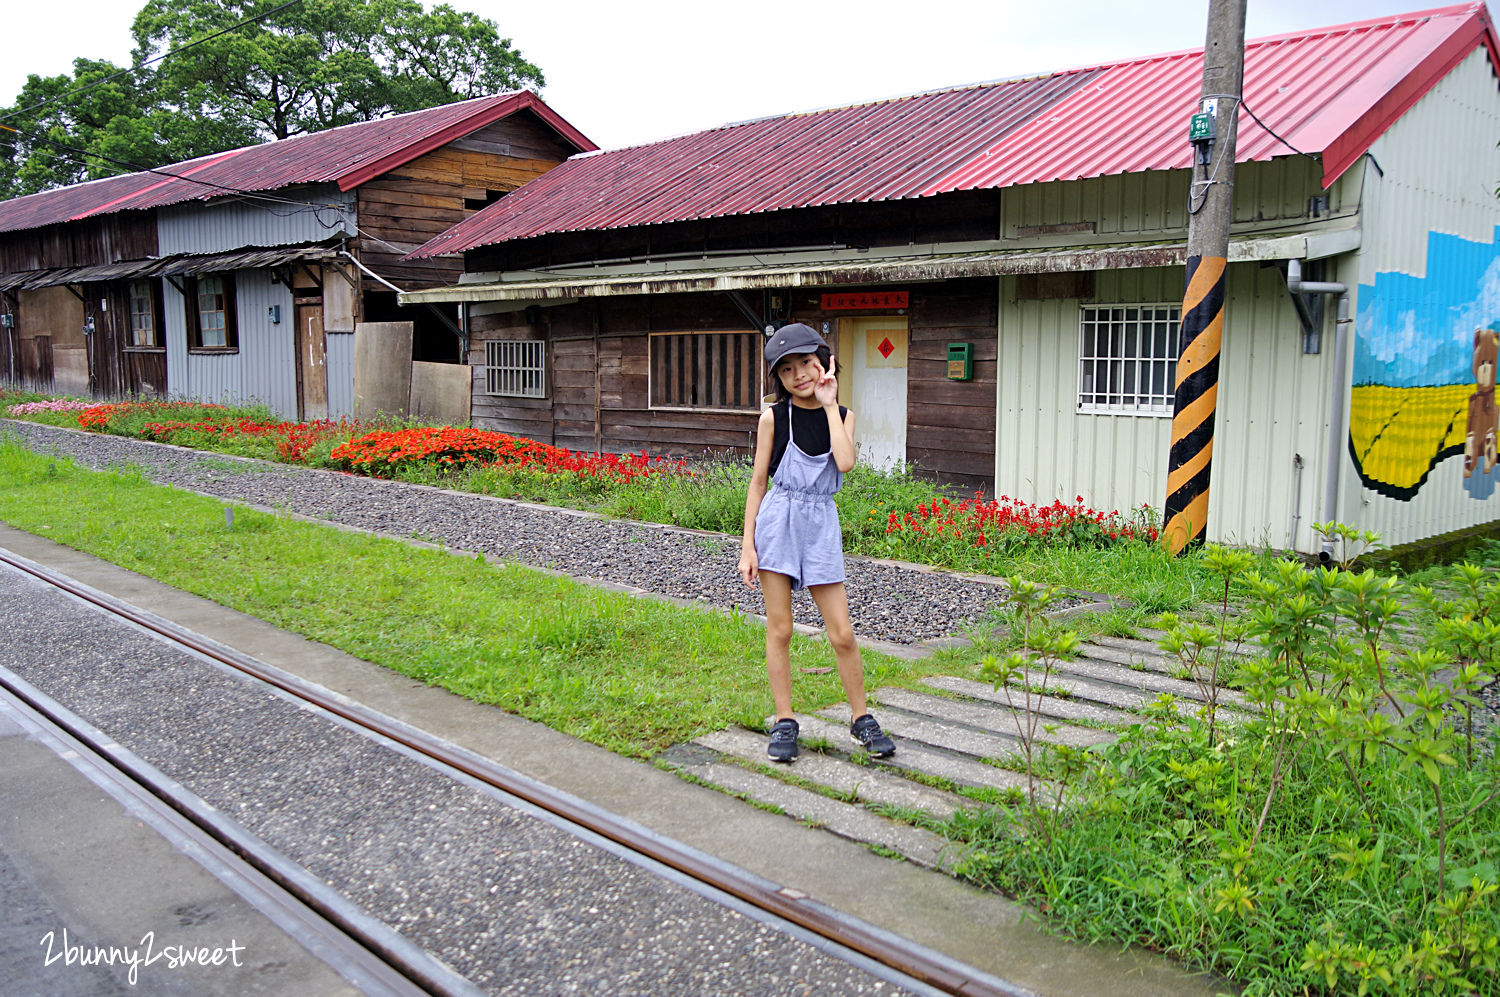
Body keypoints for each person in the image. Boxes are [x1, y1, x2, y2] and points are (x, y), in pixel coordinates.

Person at [737, 323, 896, 763]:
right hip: (779, 522)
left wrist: (828, 405)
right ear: (779, 378)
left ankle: (861, 718)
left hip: (820, 524)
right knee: (781, 628)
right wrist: (747, 546)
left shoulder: (843, 415)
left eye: (806, 362)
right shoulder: (773, 417)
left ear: (824, 362)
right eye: (786, 369)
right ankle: (785, 720)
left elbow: (844, 464)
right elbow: (757, 484)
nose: (799, 374)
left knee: (842, 633)